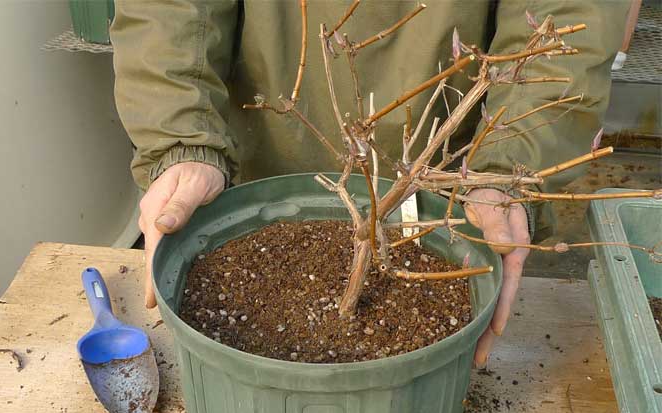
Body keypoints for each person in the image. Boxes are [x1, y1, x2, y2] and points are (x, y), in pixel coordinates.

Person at [110, 0, 627, 368]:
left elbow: (570, 20)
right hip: (268, 161)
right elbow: (170, 12)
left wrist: (507, 169)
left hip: (444, 191)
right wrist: (182, 140)